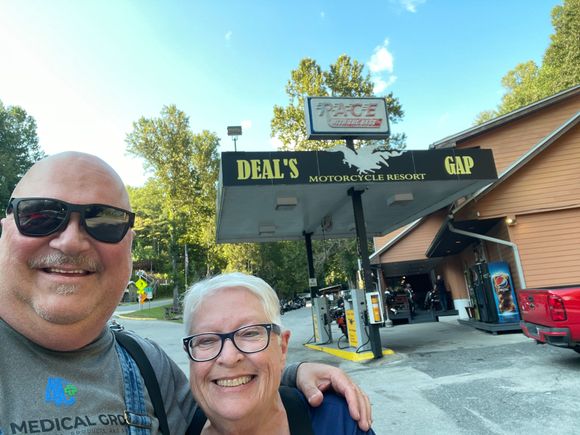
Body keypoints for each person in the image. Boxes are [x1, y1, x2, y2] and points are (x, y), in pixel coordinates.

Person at [0, 152, 372, 433]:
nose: (70, 241)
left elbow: (227, 398)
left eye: (104, 221)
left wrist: (287, 377)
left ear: (129, 247)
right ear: (5, 229)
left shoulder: (147, 365)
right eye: (40, 215)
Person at [183, 272, 376, 434]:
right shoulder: (180, 424)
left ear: (282, 348)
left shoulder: (337, 423)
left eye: (250, 333)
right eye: (206, 340)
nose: (229, 357)